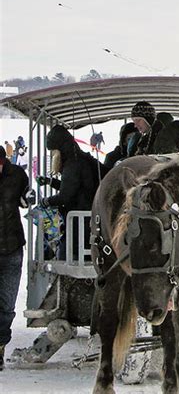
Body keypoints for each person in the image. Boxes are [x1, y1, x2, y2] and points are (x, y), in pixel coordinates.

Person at [37, 125, 107, 259]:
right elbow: (72, 187)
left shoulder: (73, 164)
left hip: (80, 223)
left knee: (66, 255)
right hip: (85, 218)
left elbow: (65, 196)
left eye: (53, 151)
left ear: (59, 149)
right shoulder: (77, 159)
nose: (52, 155)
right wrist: (50, 181)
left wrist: (46, 201)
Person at [0, 145, 34, 370]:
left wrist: (28, 197)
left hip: (11, 247)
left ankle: (0, 346)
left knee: (6, 305)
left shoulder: (17, 175)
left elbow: (25, 200)